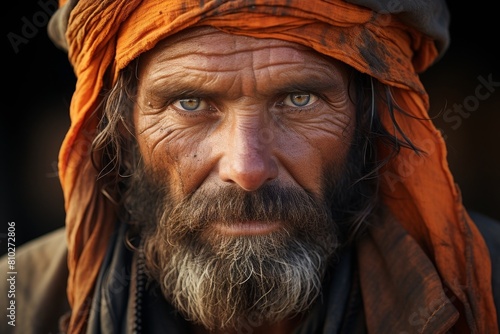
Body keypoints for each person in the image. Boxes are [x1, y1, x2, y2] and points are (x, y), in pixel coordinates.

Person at [1, 0, 499, 333]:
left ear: (370, 122)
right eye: (190, 103)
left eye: (299, 99)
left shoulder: (489, 291)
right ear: (121, 128)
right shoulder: (15, 304)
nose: (247, 167)